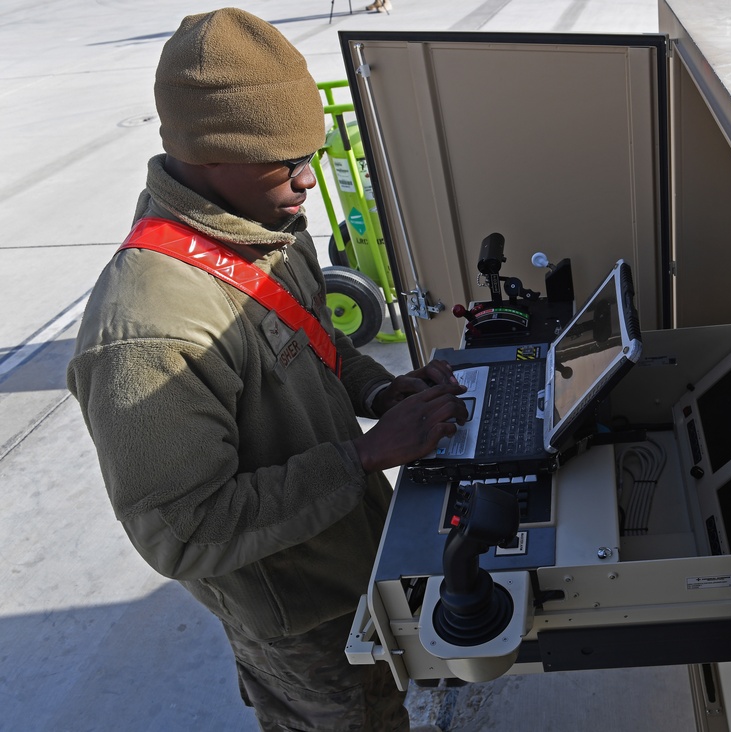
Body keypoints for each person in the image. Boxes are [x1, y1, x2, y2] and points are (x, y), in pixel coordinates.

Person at [66, 8, 467, 731]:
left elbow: (315, 342)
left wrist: (383, 390)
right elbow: (182, 530)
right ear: (214, 151)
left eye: (310, 154)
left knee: (389, 699)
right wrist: (368, 454)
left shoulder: (262, 228)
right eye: (286, 161)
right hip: (295, 615)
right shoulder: (149, 330)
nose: (309, 180)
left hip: (350, 554)